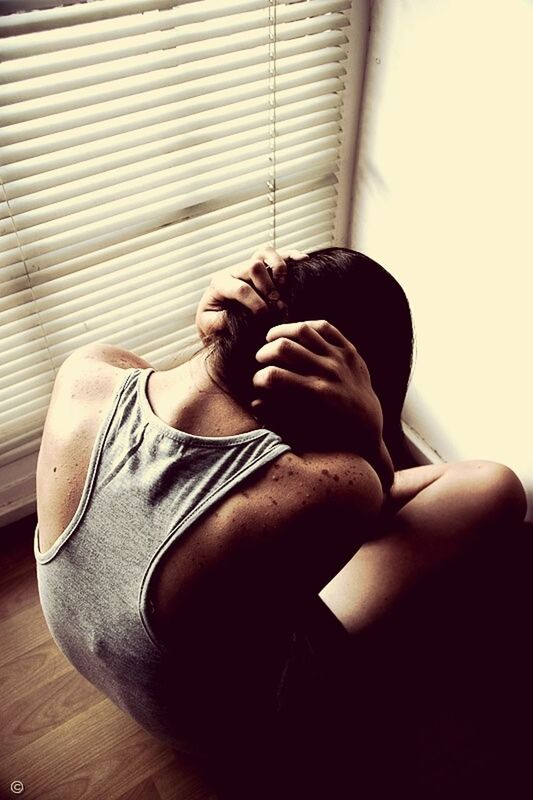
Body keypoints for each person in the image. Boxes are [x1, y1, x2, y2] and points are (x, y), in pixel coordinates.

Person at [35, 245, 526, 798]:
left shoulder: (89, 367)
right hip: (222, 727)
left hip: (114, 658)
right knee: (495, 487)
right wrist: (369, 428)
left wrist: (218, 340)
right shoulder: (334, 488)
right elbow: (376, 489)